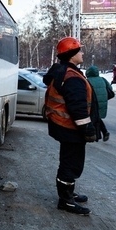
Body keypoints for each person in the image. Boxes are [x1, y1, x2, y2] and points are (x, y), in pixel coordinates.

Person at [43, 37, 101, 215]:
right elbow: (78, 107)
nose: (82, 53)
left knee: (69, 161)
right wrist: (87, 129)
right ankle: (65, 200)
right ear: (72, 54)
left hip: (64, 126)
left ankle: (69, 193)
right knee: (71, 164)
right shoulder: (71, 76)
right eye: (80, 51)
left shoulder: (64, 71)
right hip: (70, 128)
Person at [86, 65, 114, 142]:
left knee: (93, 118)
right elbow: (110, 89)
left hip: (92, 102)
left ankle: (96, 134)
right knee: (98, 117)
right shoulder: (102, 79)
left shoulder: (87, 80)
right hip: (103, 101)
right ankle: (104, 133)